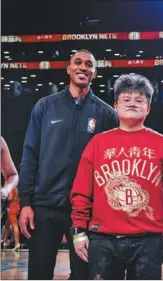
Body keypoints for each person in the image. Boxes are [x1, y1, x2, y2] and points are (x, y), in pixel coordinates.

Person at [70, 73, 163, 280]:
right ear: (115, 105)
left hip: (148, 240)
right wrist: (79, 233)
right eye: (126, 99)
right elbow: (81, 192)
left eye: (139, 100)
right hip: (103, 239)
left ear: (148, 109)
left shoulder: (162, 144)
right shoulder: (97, 143)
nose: (132, 103)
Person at [18, 50, 118, 280]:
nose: (83, 67)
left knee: (84, 275)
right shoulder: (45, 107)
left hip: (85, 211)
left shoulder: (106, 114)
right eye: (78, 62)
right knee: (39, 274)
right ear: (69, 69)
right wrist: (26, 202)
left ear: (95, 73)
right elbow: (30, 154)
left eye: (89, 64)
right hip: (45, 207)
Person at [1, 137, 19, 247]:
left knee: (12, 225)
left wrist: (6, 190)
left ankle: (15, 243)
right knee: (10, 225)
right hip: (11, 208)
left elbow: (12, 175)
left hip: (12, 208)